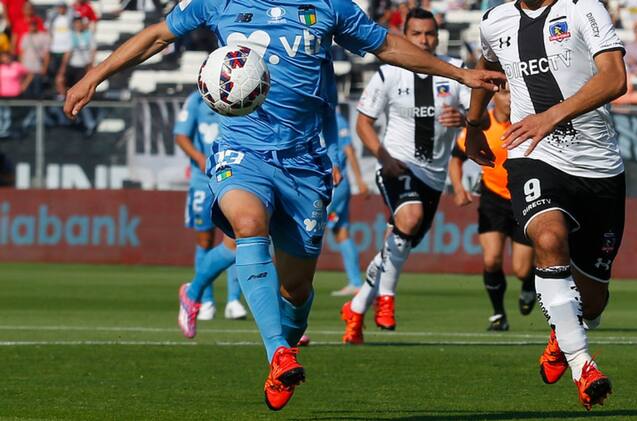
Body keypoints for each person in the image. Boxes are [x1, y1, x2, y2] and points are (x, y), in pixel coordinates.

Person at [62, 0, 503, 411]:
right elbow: (159, 35)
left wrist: (459, 74)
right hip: (242, 150)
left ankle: (283, 350)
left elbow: (385, 44)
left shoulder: (330, 6)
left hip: (304, 162)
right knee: (248, 224)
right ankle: (277, 352)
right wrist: (94, 75)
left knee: (296, 290)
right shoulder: (221, 2)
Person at [469, 0, 627, 410]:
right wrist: (473, 125)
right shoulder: (493, 20)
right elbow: (486, 71)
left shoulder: (583, 8)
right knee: (548, 235)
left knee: (592, 302)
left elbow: (615, 78)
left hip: (599, 167)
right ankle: (583, 364)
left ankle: (564, 330)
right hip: (533, 154)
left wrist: (551, 115)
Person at [340, 8, 471, 343]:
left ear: (438, 36)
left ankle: (355, 308)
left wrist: (466, 120)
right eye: (416, 34)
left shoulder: (454, 71)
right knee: (408, 218)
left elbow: (480, 117)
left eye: (430, 34)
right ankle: (386, 301)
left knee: (395, 245)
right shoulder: (389, 74)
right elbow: (363, 123)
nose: (424, 40)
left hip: (434, 176)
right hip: (397, 164)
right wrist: (383, 158)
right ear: (404, 36)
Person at [449, 87, 535, 331]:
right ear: (494, 97)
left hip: (524, 197)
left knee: (521, 269)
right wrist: (458, 188)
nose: (509, 98)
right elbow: (456, 158)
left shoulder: (526, 121)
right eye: (505, 93)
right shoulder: (481, 124)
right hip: (493, 198)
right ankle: (499, 315)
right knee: (491, 259)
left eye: (512, 93)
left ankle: (528, 284)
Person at [175, 90, 247, 321]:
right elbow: (181, 135)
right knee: (204, 239)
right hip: (202, 181)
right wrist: (197, 157)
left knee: (238, 236)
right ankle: (205, 300)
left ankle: (234, 300)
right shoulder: (195, 99)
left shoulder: (243, 93)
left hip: (234, 177)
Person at [327, 109, 369, 297]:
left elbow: (349, 150)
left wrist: (360, 180)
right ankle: (356, 282)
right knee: (341, 232)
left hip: (335, 185)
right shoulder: (325, 116)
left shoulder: (335, 119)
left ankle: (288, 279)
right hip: (338, 185)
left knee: (308, 224)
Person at [20, 20, 49, 98]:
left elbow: (46, 54)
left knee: (37, 90)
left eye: (33, 25)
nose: (32, 27)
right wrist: (21, 67)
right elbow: (22, 52)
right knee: (26, 90)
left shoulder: (43, 36)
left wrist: (45, 67)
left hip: (37, 68)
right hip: (27, 67)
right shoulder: (25, 36)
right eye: (30, 25)